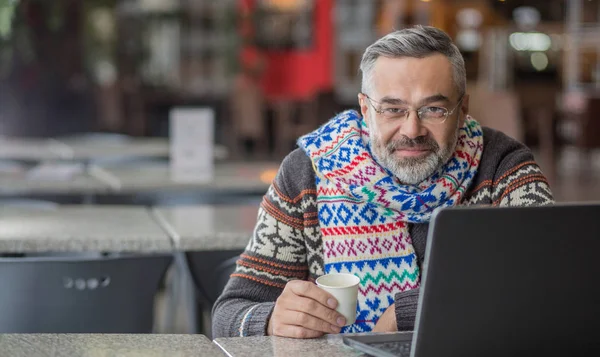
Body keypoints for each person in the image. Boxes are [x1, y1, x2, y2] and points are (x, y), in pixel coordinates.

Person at [212, 26, 554, 339]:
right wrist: (271, 319)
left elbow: (550, 278)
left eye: (433, 109)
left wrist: (408, 312)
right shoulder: (306, 174)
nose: (411, 130)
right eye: (392, 109)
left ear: (463, 109)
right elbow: (229, 314)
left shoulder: (504, 166)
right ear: (365, 108)